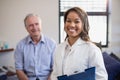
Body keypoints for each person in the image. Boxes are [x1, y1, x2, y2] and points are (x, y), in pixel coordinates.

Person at [50, 7, 108, 80]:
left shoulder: (92, 50)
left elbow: (101, 78)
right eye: (68, 21)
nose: (72, 25)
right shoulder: (58, 48)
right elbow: (55, 75)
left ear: (83, 24)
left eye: (76, 21)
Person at [14, 13, 56, 80]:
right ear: (26, 28)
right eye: (31, 25)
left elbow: (55, 69)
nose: (34, 27)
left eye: (37, 24)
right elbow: (19, 70)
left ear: (41, 25)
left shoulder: (52, 44)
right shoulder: (20, 45)